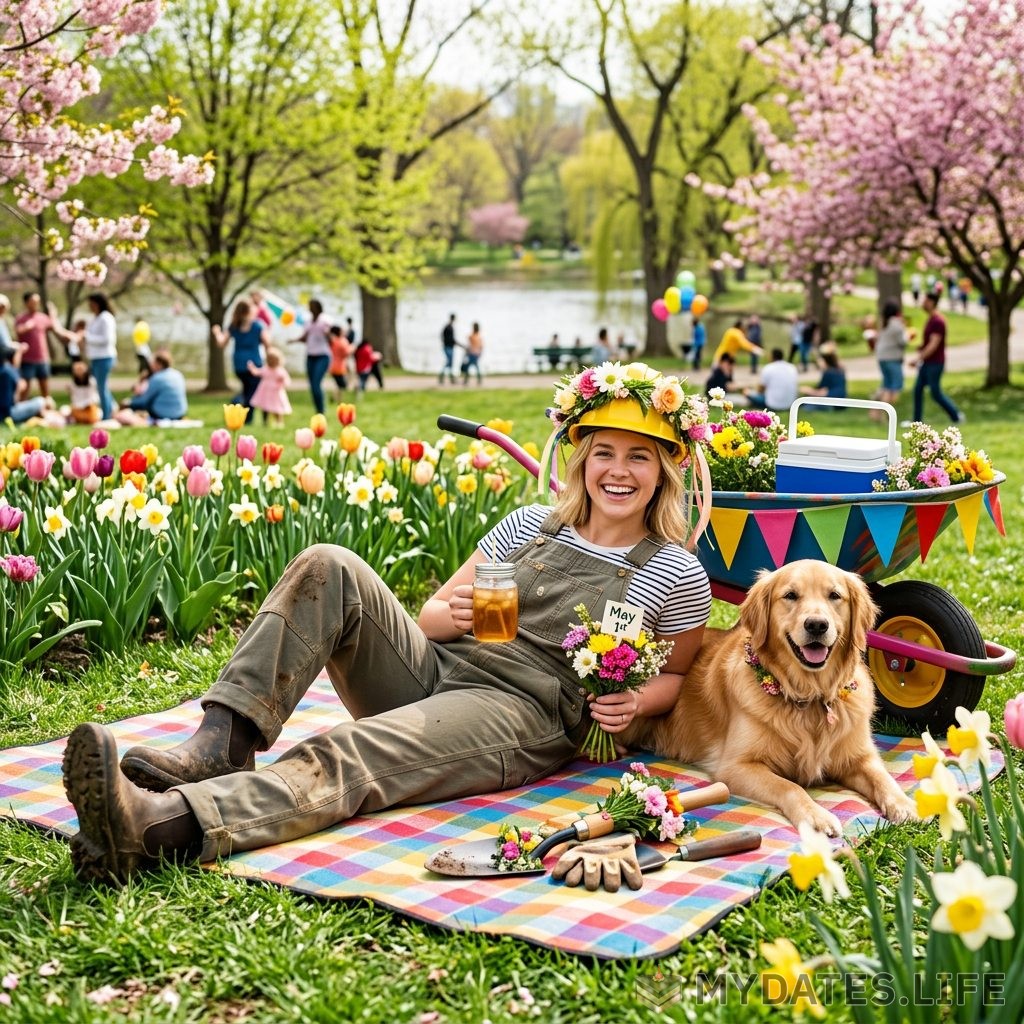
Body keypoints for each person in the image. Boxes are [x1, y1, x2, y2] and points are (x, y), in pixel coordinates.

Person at [59, 361, 712, 884]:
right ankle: (220, 746)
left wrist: (636, 701)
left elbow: (677, 675)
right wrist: (452, 614)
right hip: (439, 667)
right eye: (603, 453)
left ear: (664, 472)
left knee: (352, 750)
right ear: (580, 461)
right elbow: (429, 619)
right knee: (329, 564)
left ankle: (158, 827)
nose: (618, 471)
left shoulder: (674, 571)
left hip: (516, 711)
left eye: (639, 457)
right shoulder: (528, 525)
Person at [213, 300, 270, 424]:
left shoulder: (234, 326)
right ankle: (243, 414)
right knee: (252, 393)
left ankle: (240, 413)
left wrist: (217, 332)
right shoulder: (258, 326)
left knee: (247, 390)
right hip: (255, 364)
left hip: (239, 364)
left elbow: (221, 343)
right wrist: (270, 361)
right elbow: (267, 344)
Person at [14, 292, 77, 400]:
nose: (36, 304)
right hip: (27, 359)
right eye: (33, 302)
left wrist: (53, 315)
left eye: (37, 302)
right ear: (26, 303)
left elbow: (58, 331)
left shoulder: (42, 318)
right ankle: (21, 408)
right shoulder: (20, 318)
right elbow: (17, 331)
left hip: (42, 359)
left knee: (45, 391)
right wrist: (26, 327)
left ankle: (47, 407)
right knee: (25, 390)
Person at [911, 292, 962, 425]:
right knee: (917, 390)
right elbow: (929, 343)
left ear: (932, 302)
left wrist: (918, 358)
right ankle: (916, 421)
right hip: (927, 362)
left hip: (935, 363)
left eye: (925, 301)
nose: (923, 304)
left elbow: (933, 344)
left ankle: (956, 416)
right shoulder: (931, 319)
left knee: (935, 393)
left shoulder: (938, 321)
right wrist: (921, 347)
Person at [119, 349, 188, 424]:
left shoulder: (157, 378)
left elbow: (144, 400)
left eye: (152, 362)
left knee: (133, 407)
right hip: (180, 413)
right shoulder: (178, 374)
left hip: (161, 414)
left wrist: (129, 403)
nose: (150, 365)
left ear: (158, 364)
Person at [80, 293, 119, 421]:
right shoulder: (94, 318)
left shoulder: (106, 318)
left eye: (91, 303)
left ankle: (106, 416)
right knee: (101, 386)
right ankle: (112, 408)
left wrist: (88, 337)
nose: (89, 306)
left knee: (102, 387)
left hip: (105, 357)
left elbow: (107, 339)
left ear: (96, 304)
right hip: (96, 358)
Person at [292, 299, 332, 416]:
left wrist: (327, 333)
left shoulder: (325, 320)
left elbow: (330, 337)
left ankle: (321, 410)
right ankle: (318, 409)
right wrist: (293, 340)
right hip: (310, 356)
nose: (310, 308)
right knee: (312, 384)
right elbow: (305, 338)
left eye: (312, 306)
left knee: (316, 383)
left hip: (322, 355)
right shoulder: (308, 322)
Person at [874, 299, 910, 410]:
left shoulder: (884, 322)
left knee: (886, 385)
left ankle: (875, 411)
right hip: (892, 358)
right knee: (895, 386)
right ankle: (888, 412)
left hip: (882, 357)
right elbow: (902, 341)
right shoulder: (897, 324)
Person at [247, 347, 293, 427]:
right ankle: (265, 422)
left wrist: (281, 385)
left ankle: (279, 422)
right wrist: (252, 367)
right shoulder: (266, 369)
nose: (271, 361)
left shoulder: (280, 371)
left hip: (276, 393)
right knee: (265, 407)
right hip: (265, 392)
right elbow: (257, 372)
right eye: (269, 359)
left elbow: (286, 380)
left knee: (277, 408)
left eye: (273, 360)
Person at [745, 348, 799, 412]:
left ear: (772, 356)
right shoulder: (792, 367)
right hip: (791, 404)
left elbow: (760, 390)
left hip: (772, 405)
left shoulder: (768, 368)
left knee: (747, 392)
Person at [67, 360, 102, 425]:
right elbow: (74, 398)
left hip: (88, 407)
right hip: (78, 407)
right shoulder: (73, 383)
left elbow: (93, 397)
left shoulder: (91, 381)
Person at [328, 325, 352, 394]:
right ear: (339, 332)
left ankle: (336, 396)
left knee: (340, 385)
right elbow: (346, 353)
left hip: (333, 366)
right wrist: (352, 348)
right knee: (343, 386)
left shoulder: (333, 341)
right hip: (340, 367)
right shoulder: (342, 341)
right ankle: (335, 397)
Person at [438, 313, 458, 385]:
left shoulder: (448, 326)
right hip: (448, 347)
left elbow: (442, 335)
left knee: (450, 363)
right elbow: (451, 339)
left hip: (448, 346)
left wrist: (444, 342)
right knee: (449, 363)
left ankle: (450, 378)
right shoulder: (449, 327)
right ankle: (442, 376)